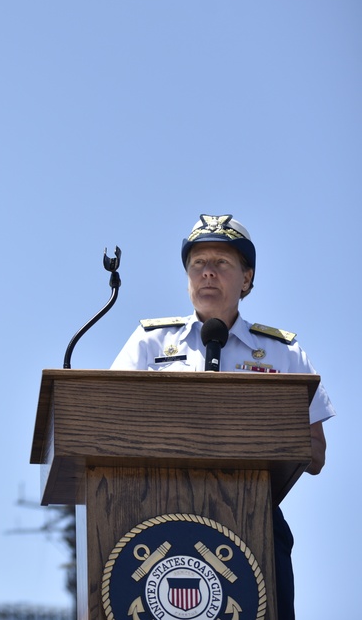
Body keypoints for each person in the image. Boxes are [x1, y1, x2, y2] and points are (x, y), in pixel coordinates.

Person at [110, 213, 335, 620]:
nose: (207, 272)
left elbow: (315, 452)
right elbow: (104, 424)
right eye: (198, 263)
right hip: (150, 518)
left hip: (254, 520)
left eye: (221, 264)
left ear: (246, 279)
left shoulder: (284, 353)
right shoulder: (149, 343)